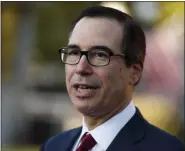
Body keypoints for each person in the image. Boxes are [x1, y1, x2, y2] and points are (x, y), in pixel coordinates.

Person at [41, 6, 184, 151]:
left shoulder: (166, 148)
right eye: (74, 52)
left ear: (134, 72)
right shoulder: (53, 146)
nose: (80, 68)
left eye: (100, 54)